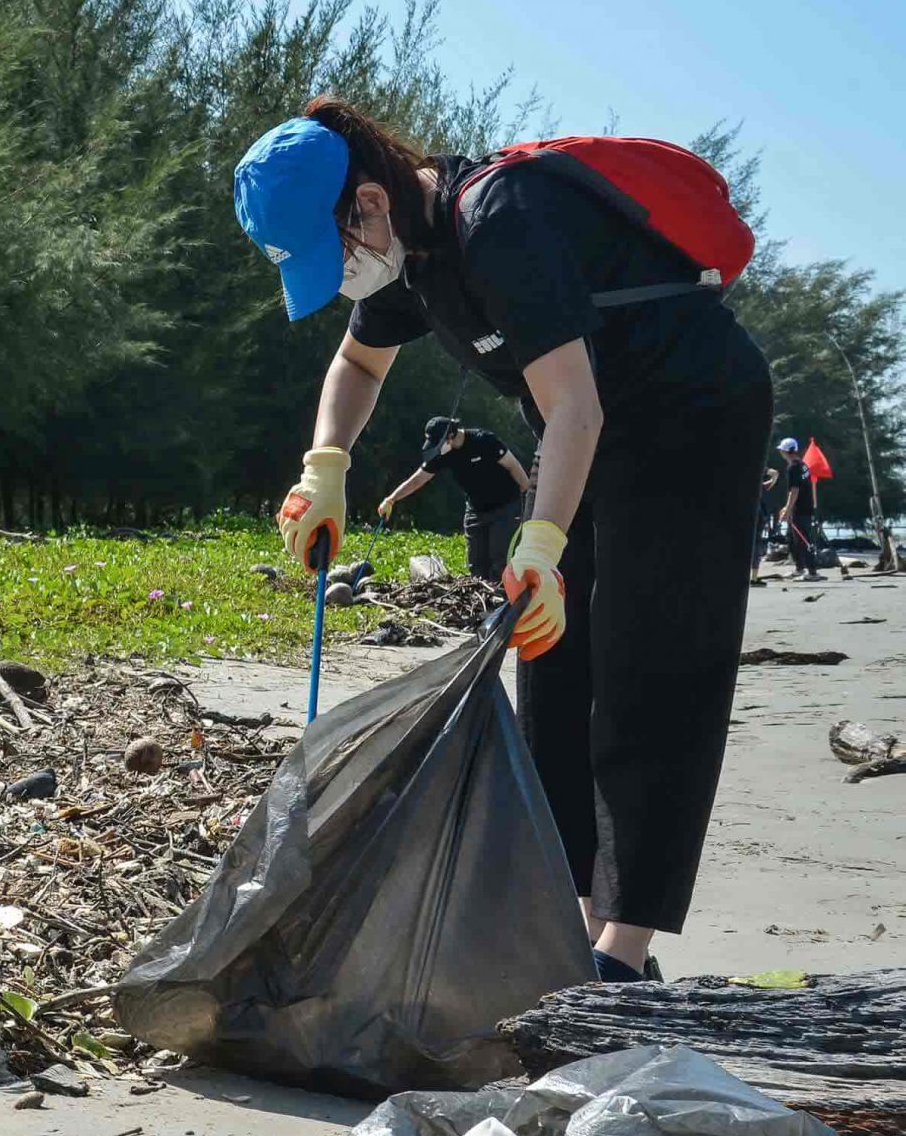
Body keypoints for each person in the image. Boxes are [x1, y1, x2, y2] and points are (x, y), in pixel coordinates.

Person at [234, 99, 772, 984]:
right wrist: (323, 466)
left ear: (367, 204)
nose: (341, 283)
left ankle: (623, 950)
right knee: (548, 654)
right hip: (587, 425)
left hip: (689, 415)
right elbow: (357, 365)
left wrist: (542, 542)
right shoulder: (405, 253)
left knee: (651, 655)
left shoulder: (500, 221)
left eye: (336, 259)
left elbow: (575, 406)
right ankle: (558, 919)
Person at [376, 416, 533, 582]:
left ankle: (503, 602)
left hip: (505, 508)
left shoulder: (484, 441)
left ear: (450, 436)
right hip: (476, 511)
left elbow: (514, 468)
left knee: (500, 561)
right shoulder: (442, 453)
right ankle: (483, 604)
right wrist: (391, 499)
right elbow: (418, 479)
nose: (436, 448)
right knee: (476, 565)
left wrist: (528, 501)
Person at [774, 436, 826, 580]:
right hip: (801, 508)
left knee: (803, 541)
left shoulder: (793, 468)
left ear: (785, 451)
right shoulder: (802, 465)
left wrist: (788, 510)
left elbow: (794, 491)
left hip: (801, 510)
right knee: (791, 539)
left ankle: (812, 572)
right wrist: (786, 508)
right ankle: (799, 568)